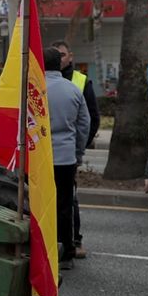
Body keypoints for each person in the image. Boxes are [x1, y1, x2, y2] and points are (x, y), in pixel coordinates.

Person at [43, 47, 91, 271]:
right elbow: (84, 125)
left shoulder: (32, 90)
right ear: (59, 64)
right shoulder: (72, 89)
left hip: (39, 158)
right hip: (65, 157)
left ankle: (39, 250)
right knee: (64, 205)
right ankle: (66, 253)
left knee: (37, 205)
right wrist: (78, 152)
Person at [53, 41, 99, 258]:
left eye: (63, 54)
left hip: (66, 152)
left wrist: (79, 148)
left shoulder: (80, 81)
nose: (60, 58)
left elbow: (90, 120)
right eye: (56, 55)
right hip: (64, 154)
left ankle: (73, 240)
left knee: (69, 200)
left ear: (70, 56)